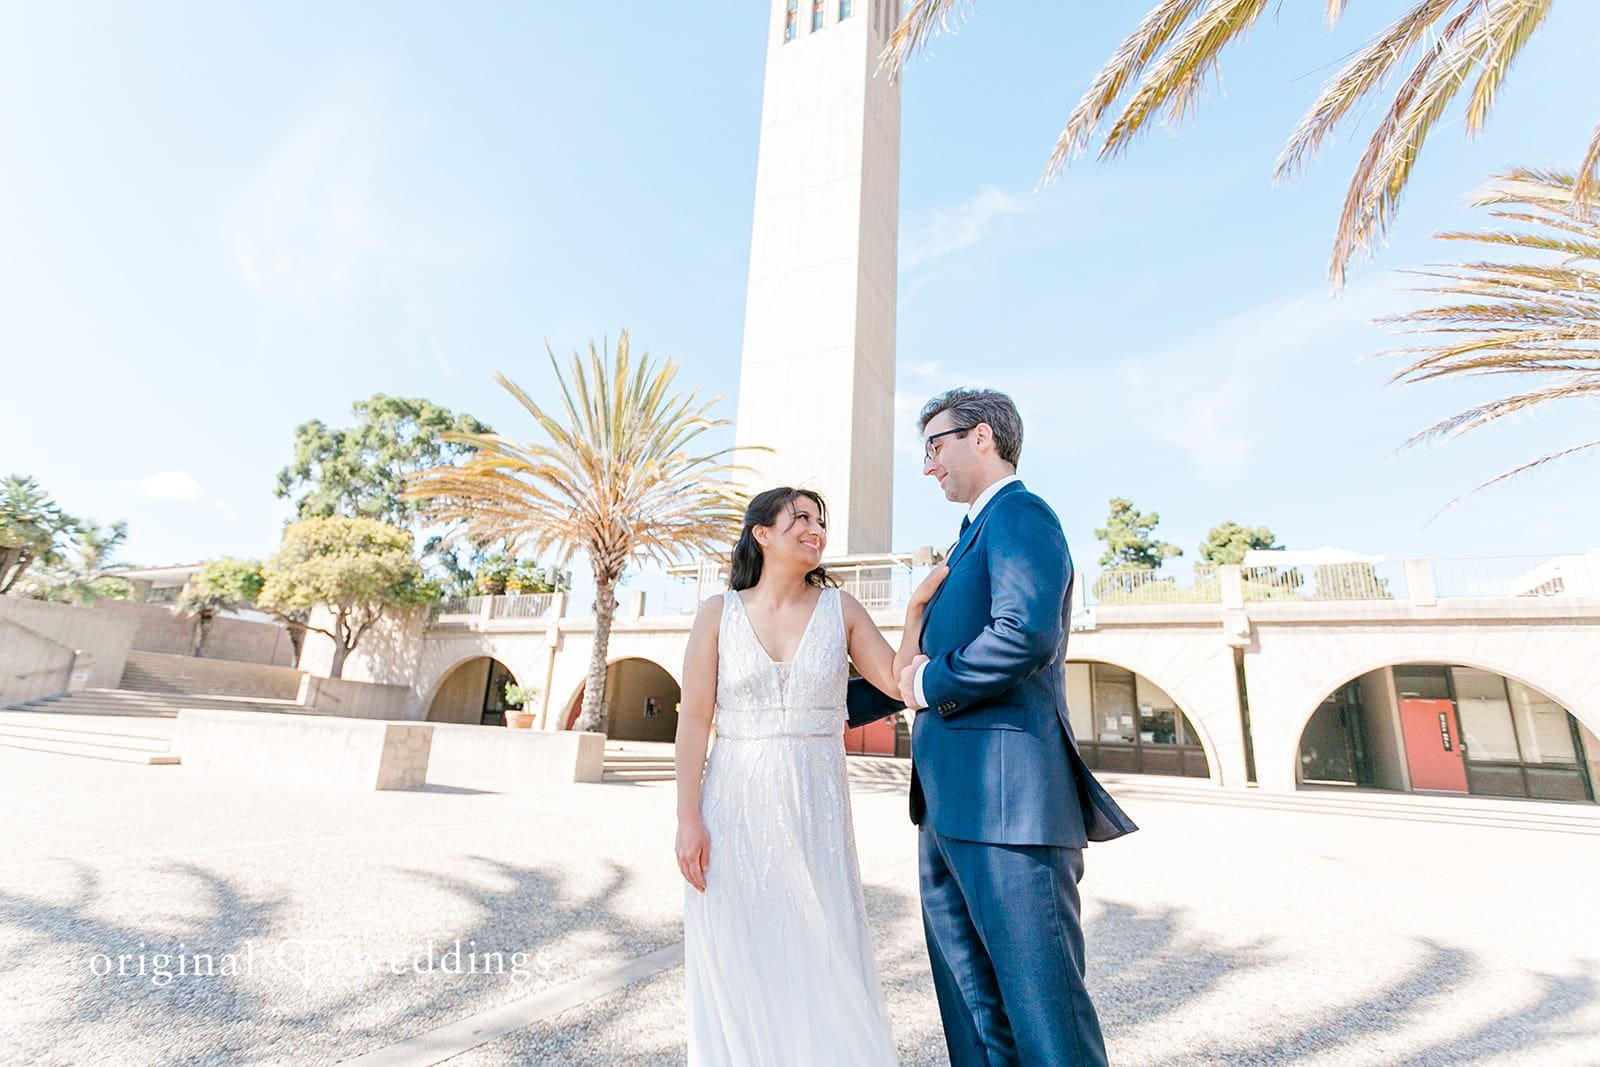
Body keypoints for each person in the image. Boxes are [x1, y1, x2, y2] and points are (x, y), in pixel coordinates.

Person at [848, 387, 1139, 1067]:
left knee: (1047, 1023)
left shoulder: (1021, 515)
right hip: (947, 813)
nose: (927, 465)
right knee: (975, 1017)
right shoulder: (970, 537)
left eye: (934, 445)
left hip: (1012, 815)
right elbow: (916, 665)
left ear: (981, 436)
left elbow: (1024, 633)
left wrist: (924, 682)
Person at [675, 486, 946, 1067]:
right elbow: (694, 720)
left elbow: (900, 683)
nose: (815, 528)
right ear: (762, 534)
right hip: (732, 805)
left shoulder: (841, 608)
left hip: (815, 803)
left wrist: (916, 612)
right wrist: (687, 819)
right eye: (799, 518)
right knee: (742, 946)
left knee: (820, 945)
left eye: (820, 520)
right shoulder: (715, 614)